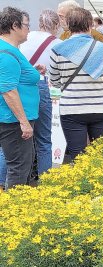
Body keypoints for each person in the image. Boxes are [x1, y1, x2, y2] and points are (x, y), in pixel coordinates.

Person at [48, 7, 103, 160]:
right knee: (102, 157)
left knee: (78, 157)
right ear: (90, 24)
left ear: (68, 25)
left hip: (71, 109)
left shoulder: (57, 50)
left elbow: (55, 82)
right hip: (99, 106)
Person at [0, 7, 42, 190]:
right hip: (14, 122)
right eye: (26, 25)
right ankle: (14, 213)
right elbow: (8, 90)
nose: (29, 30)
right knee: (18, 168)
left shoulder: (10, 50)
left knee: (21, 166)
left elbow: (14, 79)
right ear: (14, 26)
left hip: (15, 120)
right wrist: (23, 122)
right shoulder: (6, 53)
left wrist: (32, 72)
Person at [17, 9, 62, 178]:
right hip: (42, 87)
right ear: (56, 24)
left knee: (14, 140)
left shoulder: (25, 38)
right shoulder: (58, 44)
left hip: (19, 88)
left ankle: (3, 185)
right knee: (44, 140)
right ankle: (46, 182)